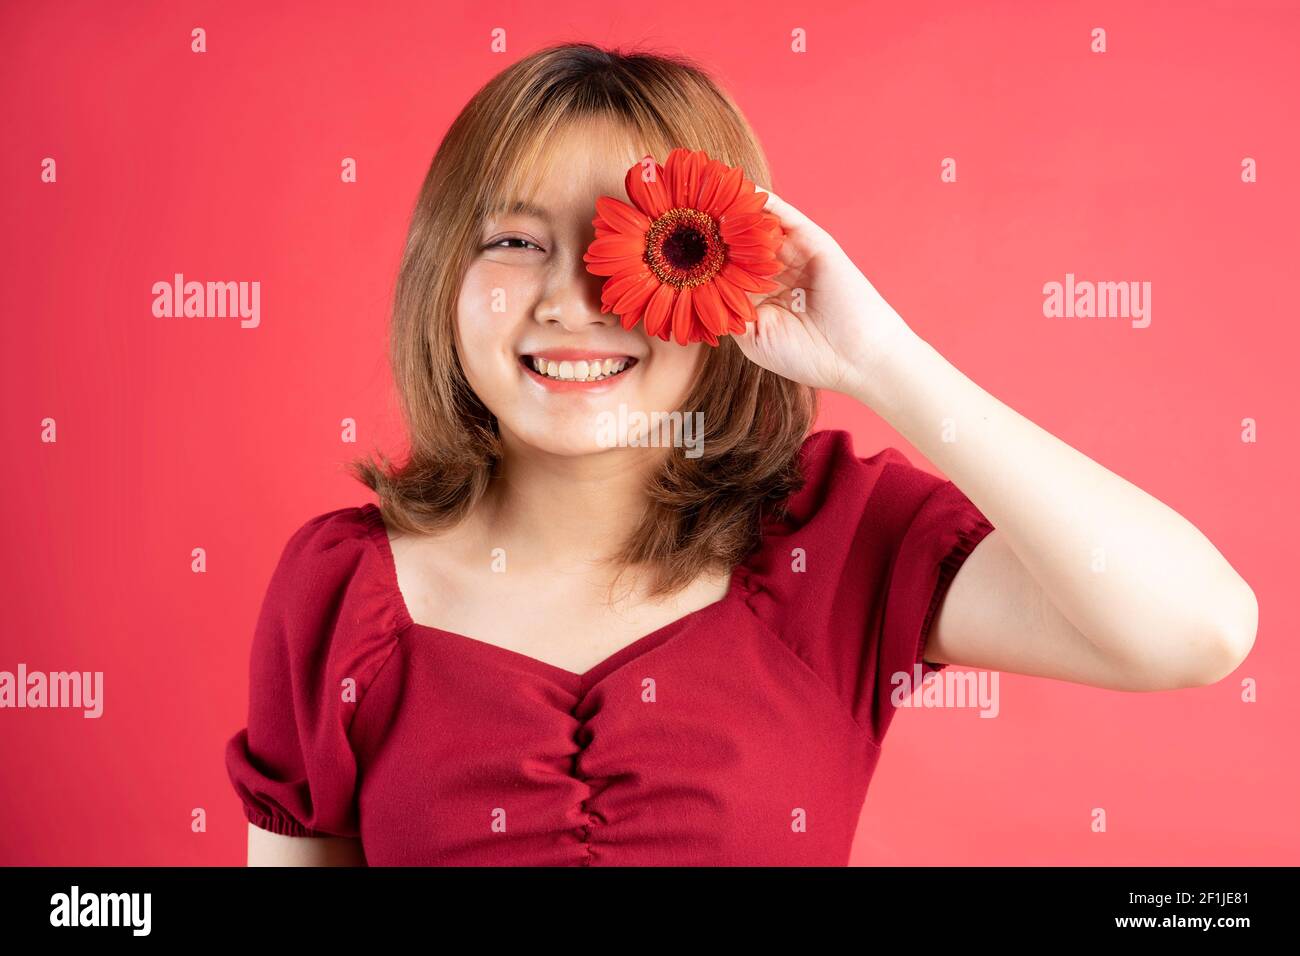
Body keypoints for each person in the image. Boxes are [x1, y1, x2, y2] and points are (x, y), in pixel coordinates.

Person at [225, 42, 1257, 866]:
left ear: (718, 278)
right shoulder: (337, 591)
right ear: (440, 277)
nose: (573, 300)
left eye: (635, 247)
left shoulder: (835, 544)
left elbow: (1194, 627)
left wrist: (879, 355)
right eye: (513, 240)